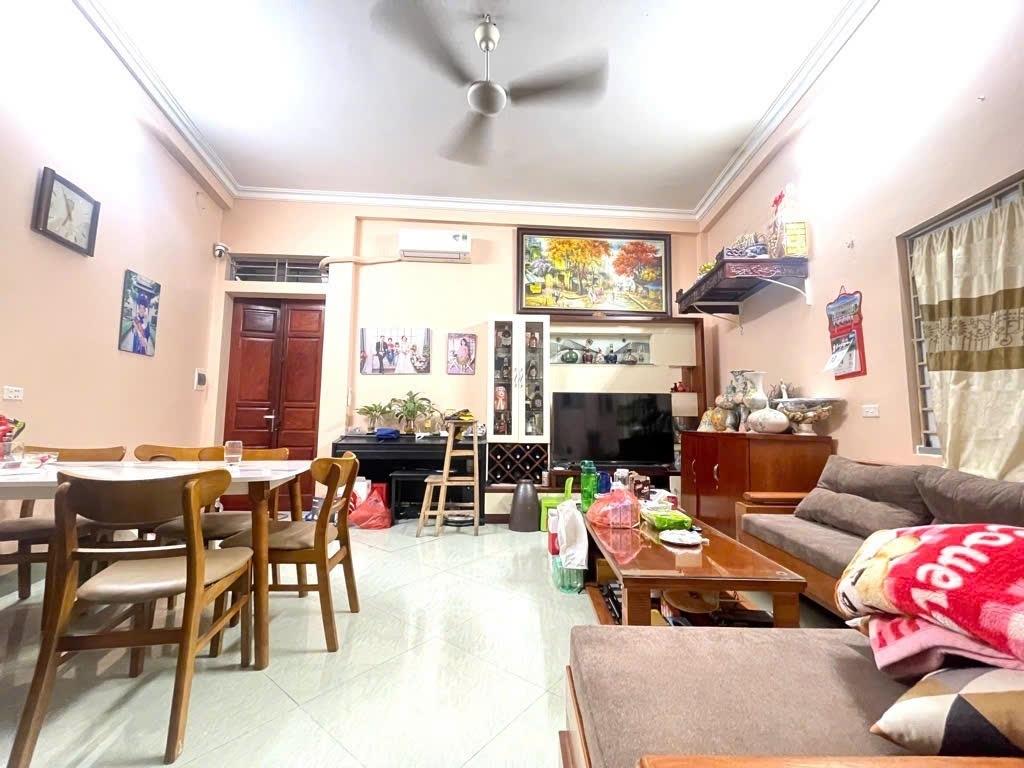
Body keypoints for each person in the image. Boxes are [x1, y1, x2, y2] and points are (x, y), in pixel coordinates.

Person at [120, 290, 155, 355]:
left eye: (143, 308)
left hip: (143, 344)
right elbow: (133, 331)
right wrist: (135, 329)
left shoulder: (146, 321)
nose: (141, 310)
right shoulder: (136, 319)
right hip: (136, 342)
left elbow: (148, 333)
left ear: (145, 310)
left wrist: (144, 339)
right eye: (140, 308)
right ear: (138, 309)